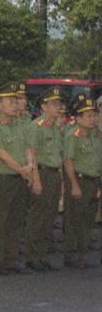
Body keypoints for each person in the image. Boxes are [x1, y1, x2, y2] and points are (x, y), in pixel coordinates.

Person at [0, 82, 37, 275]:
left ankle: (9, 259)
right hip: (0, 179)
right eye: (10, 101)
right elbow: (0, 153)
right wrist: (22, 169)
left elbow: (28, 148)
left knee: (15, 221)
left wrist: (29, 166)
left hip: (19, 178)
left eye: (16, 101)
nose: (15, 104)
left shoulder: (21, 125)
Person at [25, 86, 64, 271]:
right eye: (54, 104)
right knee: (38, 217)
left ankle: (41, 254)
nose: (58, 107)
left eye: (59, 103)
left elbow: (59, 156)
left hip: (54, 174)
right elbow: (32, 154)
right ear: (43, 107)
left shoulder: (56, 128)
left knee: (49, 216)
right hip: (42, 173)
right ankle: (32, 256)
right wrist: (36, 180)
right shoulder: (36, 127)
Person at [61, 96, 100, 269]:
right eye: (88, 116)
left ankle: (81, 254)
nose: (93, 119)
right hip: (79, 180)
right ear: (78, 118)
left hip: (93, 181)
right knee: (74, 219)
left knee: (87, 220)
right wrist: (74, 184)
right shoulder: (73, 136)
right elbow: (68, 161)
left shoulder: (94, 136)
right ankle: (71, 255)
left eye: (94, 115)